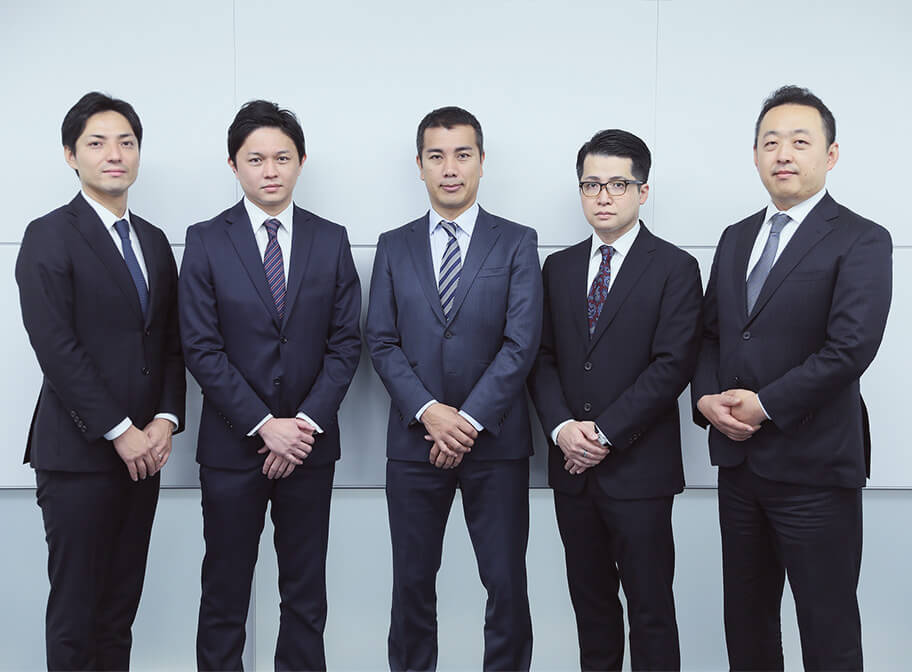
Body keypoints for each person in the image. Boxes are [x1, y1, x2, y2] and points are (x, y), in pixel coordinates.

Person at [692, 85, 892, 671]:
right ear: (755, 155)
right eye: (770, 142)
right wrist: (705, 398)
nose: (783, 154)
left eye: (800, 142)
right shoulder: (735, 238)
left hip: (815, 469)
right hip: (739, 468)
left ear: (830, 155)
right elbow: (710, 335)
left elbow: (850, 349)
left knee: (827, 632)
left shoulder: (862, 238)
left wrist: (766, 405)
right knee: (747, 628)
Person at [179, 100, 362, 671]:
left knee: (305, 594)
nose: (270, 170)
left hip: (309, 449)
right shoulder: (206, 240)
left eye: (282, 157)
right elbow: (200, 348)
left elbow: (345, 345)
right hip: (232, 449)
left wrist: (300, 427)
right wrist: (264, 426)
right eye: (255, 159)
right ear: (233, 165)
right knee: (224, 592)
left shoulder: (331, 239)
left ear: (301, 161)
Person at [365, 106, 541, 671]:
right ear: (418, 165)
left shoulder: (516, 242)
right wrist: (429, 412)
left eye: (462, 155)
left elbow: (521, 343)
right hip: (414, 444)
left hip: (496, 442)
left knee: (506, 585)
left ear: (481, 162)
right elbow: (381, 341)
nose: (450, 168)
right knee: (411, 585)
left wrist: (464, 421)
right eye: (436, 156)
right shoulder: (393, 245)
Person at [15, 91, 186, 670]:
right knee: (77, 615)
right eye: (97, 143)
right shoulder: (49, 234)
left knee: (118, 614)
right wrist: (119, 430)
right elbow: (56, 347)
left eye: (126, 143)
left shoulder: (154, 241)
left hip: (144, 458)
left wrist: (164, 419)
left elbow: (169, 342)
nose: (115, 154)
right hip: (78, 456)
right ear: (71, 155)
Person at [527, 129, 702, 671]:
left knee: (651, 612)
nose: (603, 196)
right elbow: (542, 358)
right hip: (572, 471)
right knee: (592, 610)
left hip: (639, 471)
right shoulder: (557, 268)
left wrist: (602, 435)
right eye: (591, 185)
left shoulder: (675, 267)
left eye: (617, 184)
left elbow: (672, 366)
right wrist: (562, 429)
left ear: (642, 191)